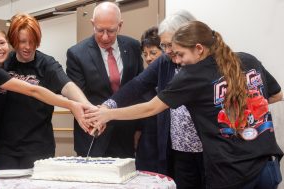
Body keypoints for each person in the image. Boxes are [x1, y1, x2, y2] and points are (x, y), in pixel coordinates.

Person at [87, 21, 283, 189]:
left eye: (180, 54)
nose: (178, 61)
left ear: (199, 48)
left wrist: (108, 115)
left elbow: (151, 108)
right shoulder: (248, 60)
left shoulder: (194, 74)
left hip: (231, 171)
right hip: (267, 166)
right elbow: (275, 94)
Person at [0, 25, 89, 189]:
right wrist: (70, 104)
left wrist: (85, 105)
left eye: (1, 43)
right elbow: (33, 90)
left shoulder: (6, 66)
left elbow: (67, 85)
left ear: (8, 43)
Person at [103, 10, 205, 188]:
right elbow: (136, 85)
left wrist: (108, 114)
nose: (167, 51)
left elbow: (152, 107)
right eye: (163, 45)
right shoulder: (165, 61)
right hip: (179, 151)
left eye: (169, 45)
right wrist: (107, 106)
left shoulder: (208, 65)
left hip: (208, 149)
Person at [0, 13, 94, 170]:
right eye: (22, 42)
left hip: (38, 146)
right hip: (5, 147)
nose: (28, 47)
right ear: (13, 40)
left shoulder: (46, 64)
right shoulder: (3, 63)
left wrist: (86, 105)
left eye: (32, 42)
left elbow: (68, 86)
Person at [66, 1, 143, 158]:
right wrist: (97, 118)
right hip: (94, 134)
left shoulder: (133, 46)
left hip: (126, 133)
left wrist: (139, 128)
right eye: (100, 30)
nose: (105, 37)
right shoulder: (77, 54)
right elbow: (78, 97)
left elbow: (139, 88)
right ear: (92, 24)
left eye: (111, 31)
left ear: (120, 25)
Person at [133, 26, 163, 172]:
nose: (148, 58)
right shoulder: (143, 80)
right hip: (148, 146)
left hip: (171, 147)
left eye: (153, 53)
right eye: (145, 54)